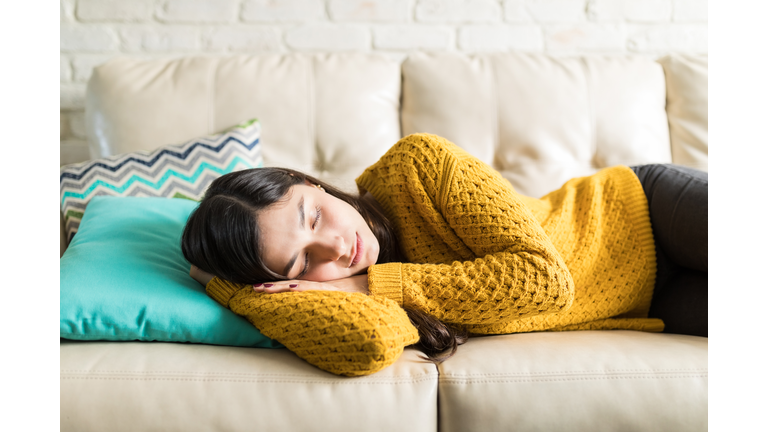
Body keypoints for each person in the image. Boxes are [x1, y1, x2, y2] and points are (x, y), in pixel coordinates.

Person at [182, 133, 708, 377]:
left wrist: (370, 284)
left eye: (314, 218)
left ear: (310, 183)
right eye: (301, 263)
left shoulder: (416, 167)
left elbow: (546, 280)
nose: (339, 250)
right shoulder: (355, 298)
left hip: (641, 212)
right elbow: (366, 344)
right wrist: (236, 290)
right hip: (647, 302)